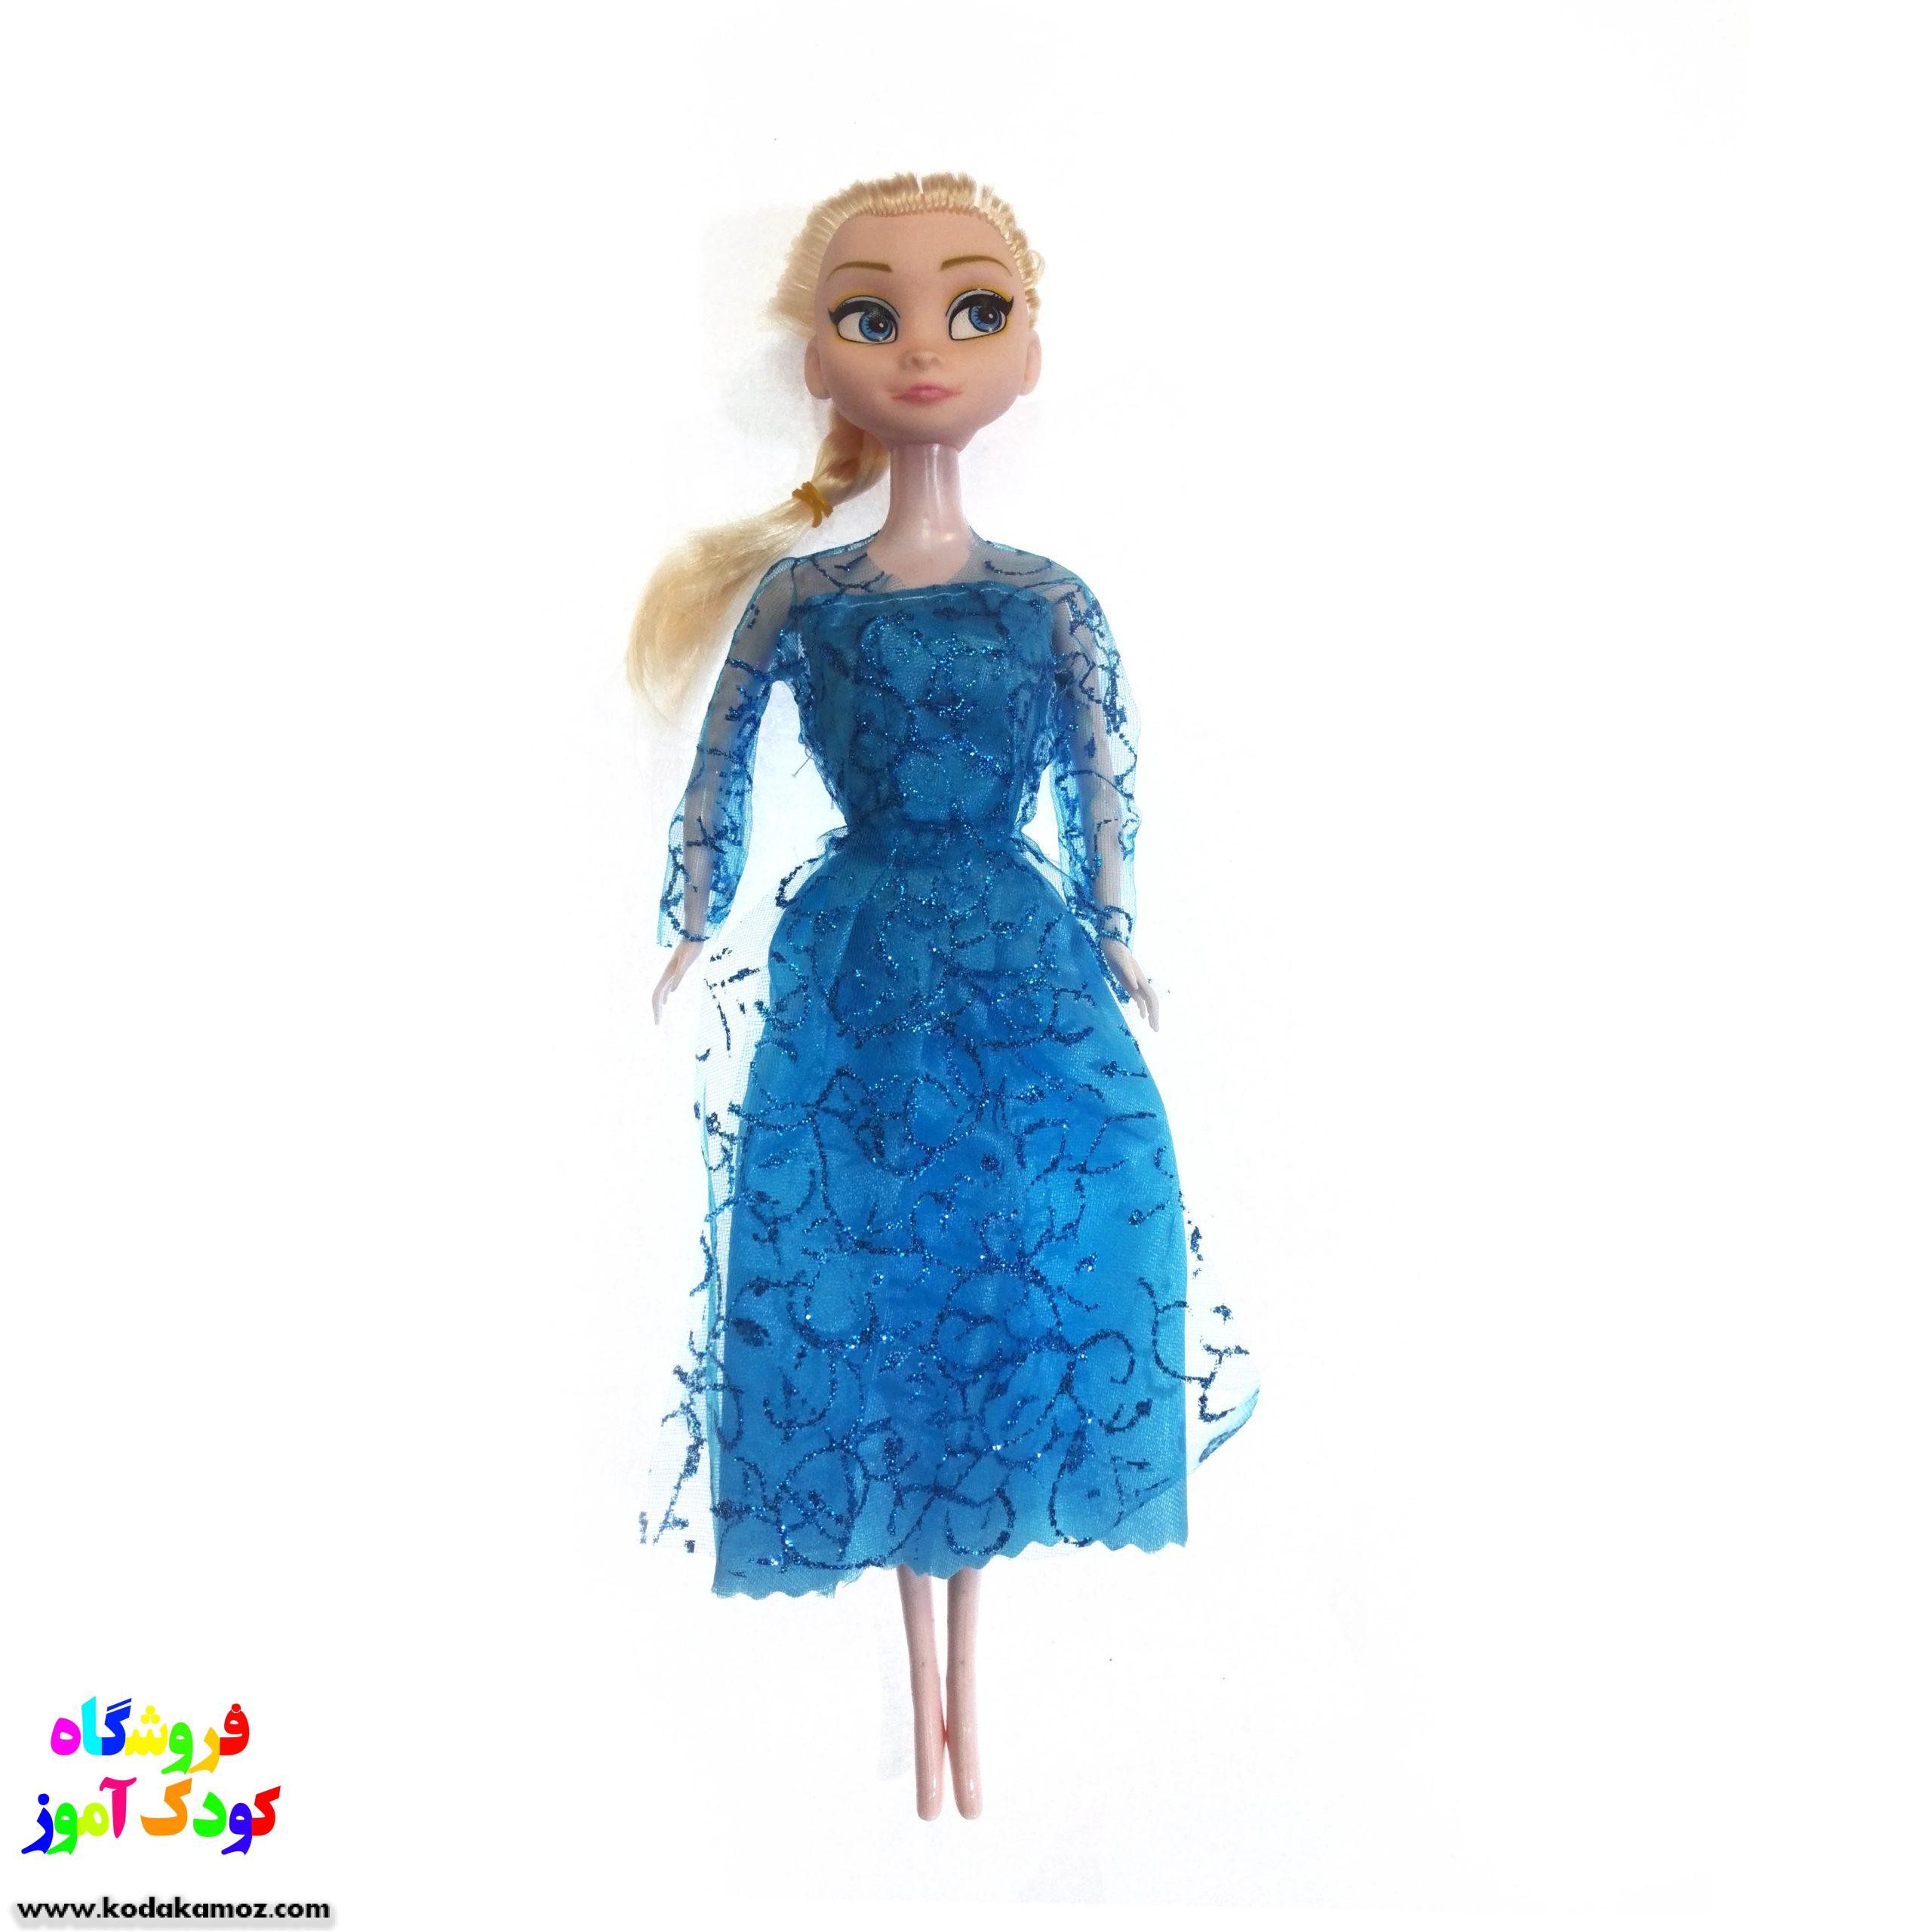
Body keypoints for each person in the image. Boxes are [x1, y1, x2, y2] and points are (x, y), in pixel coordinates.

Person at [630, 170, 1258, 1820]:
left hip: (1014, 963)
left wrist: (1118, 927)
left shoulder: (1050, 597)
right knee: (871, 1270)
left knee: (1002, 1260)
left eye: (975, 311)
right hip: (856, 968)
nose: (925, 348)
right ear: (819, 359)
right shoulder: (805, 597)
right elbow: (721, 761)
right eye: (873, 314)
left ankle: (962, 1692)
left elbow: (1103, 781)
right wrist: (692, 912)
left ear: (1025, 352)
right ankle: (925, 1699)